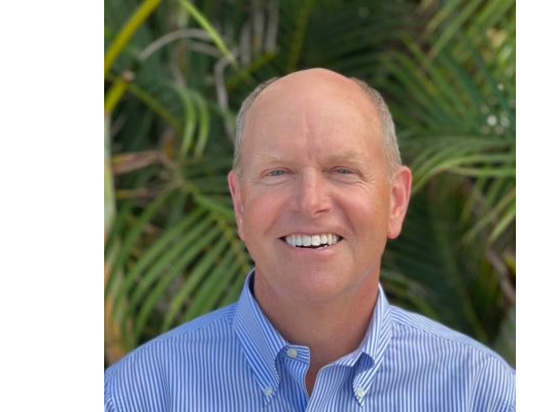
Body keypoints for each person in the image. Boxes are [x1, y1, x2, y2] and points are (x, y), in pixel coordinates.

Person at [104, 68, 515, 411]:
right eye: (278, 173)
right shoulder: (137, 396)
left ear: (395, 201)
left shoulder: (479, 394)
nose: (311, 202)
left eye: (343, 171)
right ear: (240, 203)